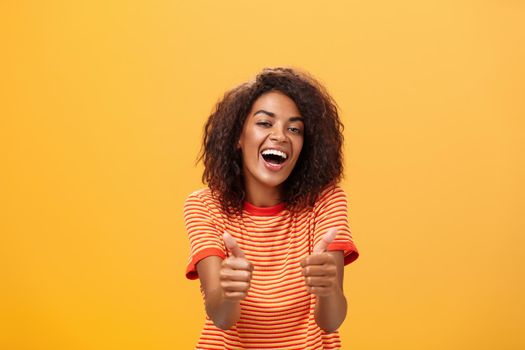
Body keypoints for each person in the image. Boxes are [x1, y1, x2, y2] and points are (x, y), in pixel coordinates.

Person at [183, 67, 359, 349]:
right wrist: (230, 293)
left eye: (294, 129)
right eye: (265, 123)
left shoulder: (325, 201)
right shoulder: (204, 206)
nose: (280, 136)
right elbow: (221, 317)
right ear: (237, 138)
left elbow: (331, 321)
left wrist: (328, 289)